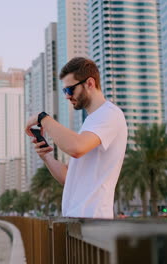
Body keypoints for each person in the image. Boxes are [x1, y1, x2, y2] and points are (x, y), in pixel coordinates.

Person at [25, 57, 128, 219]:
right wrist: (46, 157)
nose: (67, 96)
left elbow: (76, 147)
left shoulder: (110, 114)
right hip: (78, 222)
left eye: (69, 90)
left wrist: (43, 118)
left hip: (94, 222)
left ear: (89, 84)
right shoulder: (91, 122)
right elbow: (68, 177)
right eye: (65, 91)